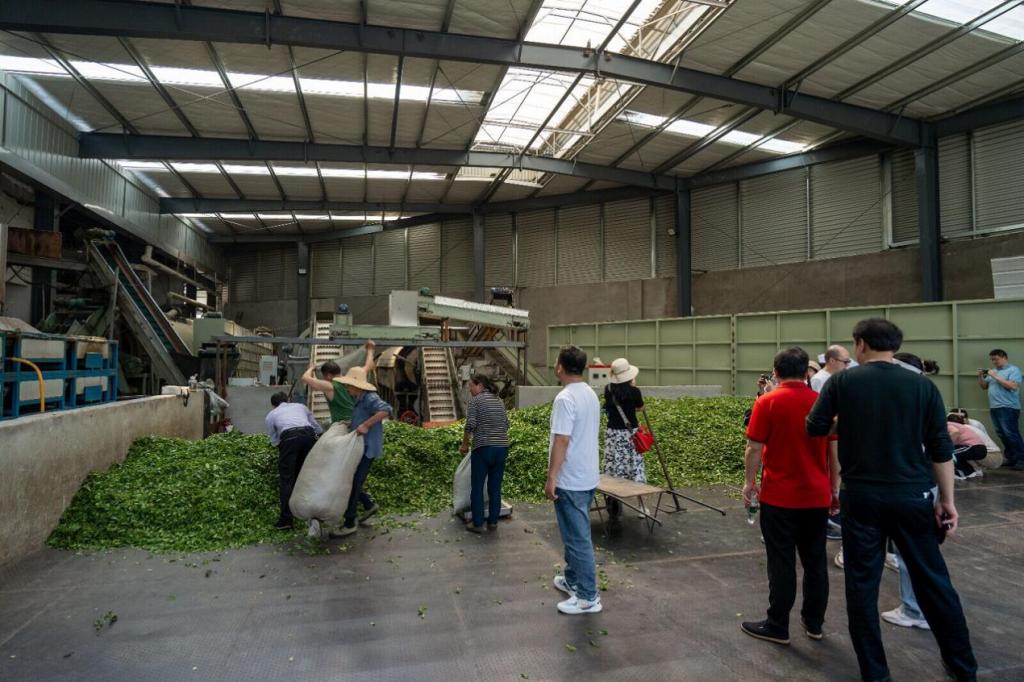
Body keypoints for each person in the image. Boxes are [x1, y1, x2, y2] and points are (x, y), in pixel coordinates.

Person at [807, 318, 977, 682]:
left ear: (861, 344)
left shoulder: (842, 382)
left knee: (862, 587)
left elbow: (815, 427)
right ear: (894, 347)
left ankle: (876, 673)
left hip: (862, 498)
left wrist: (846, 422)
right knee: (934, 582)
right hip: (913, 495)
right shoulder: (922, 386)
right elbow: (940, 448)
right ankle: (963, 668)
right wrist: (947, 500)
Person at [741, 347, 838, 646]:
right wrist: (835, 488)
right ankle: (814, 623)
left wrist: (749, 483)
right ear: (806, 372)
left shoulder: (768, 402)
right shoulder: (821, 402)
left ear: (776, 372)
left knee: (781, 561)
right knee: (815, 561)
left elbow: (754, 447)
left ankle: (778, 624)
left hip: (779, 496)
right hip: (817, 495)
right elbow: (834, 451)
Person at [546, 345, 602, 615]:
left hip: (570, 479)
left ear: (560, 367)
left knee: (578, 539)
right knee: (572, 535)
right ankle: (572, 580)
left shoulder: (564, 398)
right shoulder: (590, 394)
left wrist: (552, 477)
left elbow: (562, 440)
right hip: (587, 476)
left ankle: (588, 596)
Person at [329, 366, 392, 538]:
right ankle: (369, 505)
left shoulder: (370, 397)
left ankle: (350, 523)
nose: (347, 389)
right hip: (360, 447)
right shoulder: (359, 398)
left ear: (356, 385)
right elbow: (363, 415)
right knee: (353, 480)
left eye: (348, 386)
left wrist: (365, 425)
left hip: (368, 447)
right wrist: (352, 423)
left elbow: (386, 410)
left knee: (354, 483)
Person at [459, 374, 509, 533]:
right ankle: (493, 522)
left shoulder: (476, 401)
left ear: (479, 385)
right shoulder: (499, 400)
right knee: (495, 488)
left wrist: (465, 444)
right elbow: (506, 424)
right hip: (502, 448)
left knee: (477, 486)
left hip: (483, 449)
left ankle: (478, 523)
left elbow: (470, 425)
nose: (470, 390)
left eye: (471, 386)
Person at [265, 392, 322, 529]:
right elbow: (317, 428)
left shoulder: (271, 415)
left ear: (273, 405)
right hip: (309, 436)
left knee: (287, 480)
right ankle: (316, 515)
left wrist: (288, 452)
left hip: (289, 438)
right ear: (288, 400)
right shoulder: (301, 406)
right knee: (309, 477)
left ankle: (286, 520)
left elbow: (275, 441)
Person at [603, 357, 645, 527]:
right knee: (635, 467)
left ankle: (614, 505)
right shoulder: (634, 392)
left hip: (613, 434)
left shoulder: (608, 390)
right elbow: (640, 407)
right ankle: (642, 507)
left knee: (614, 467)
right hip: (630, 434)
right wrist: (633, 386)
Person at [302, 340, 377, 426]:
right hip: (359, 420)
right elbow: (368, 365)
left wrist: (311, 368)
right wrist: (370, 350)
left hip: (342, 424)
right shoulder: (353, 380)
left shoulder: (330, 386)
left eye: (324, 377)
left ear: (329, 375)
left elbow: (305, 378)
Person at [978, 349, 1023, 470]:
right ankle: (1012, 458)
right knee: (1002, 434)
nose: (994, 362)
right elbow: (984, 386)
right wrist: (981, 376)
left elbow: (1013, 386)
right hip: (995, 407)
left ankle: (1021, 460)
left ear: (1004, 358)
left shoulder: (1013, 370)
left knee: (1011, 434)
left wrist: (995, 376)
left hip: (1008, 407)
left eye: (996, 359)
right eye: (992, 359)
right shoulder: (994, 371)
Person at [947, 413, 987, 480]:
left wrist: (947, 445)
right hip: (978, 447)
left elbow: (955, 432)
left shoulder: (947, 424)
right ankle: (970, 472)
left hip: (975, 447)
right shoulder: (959, 425)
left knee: (949, 453)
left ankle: (963, 474)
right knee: (956, 453)